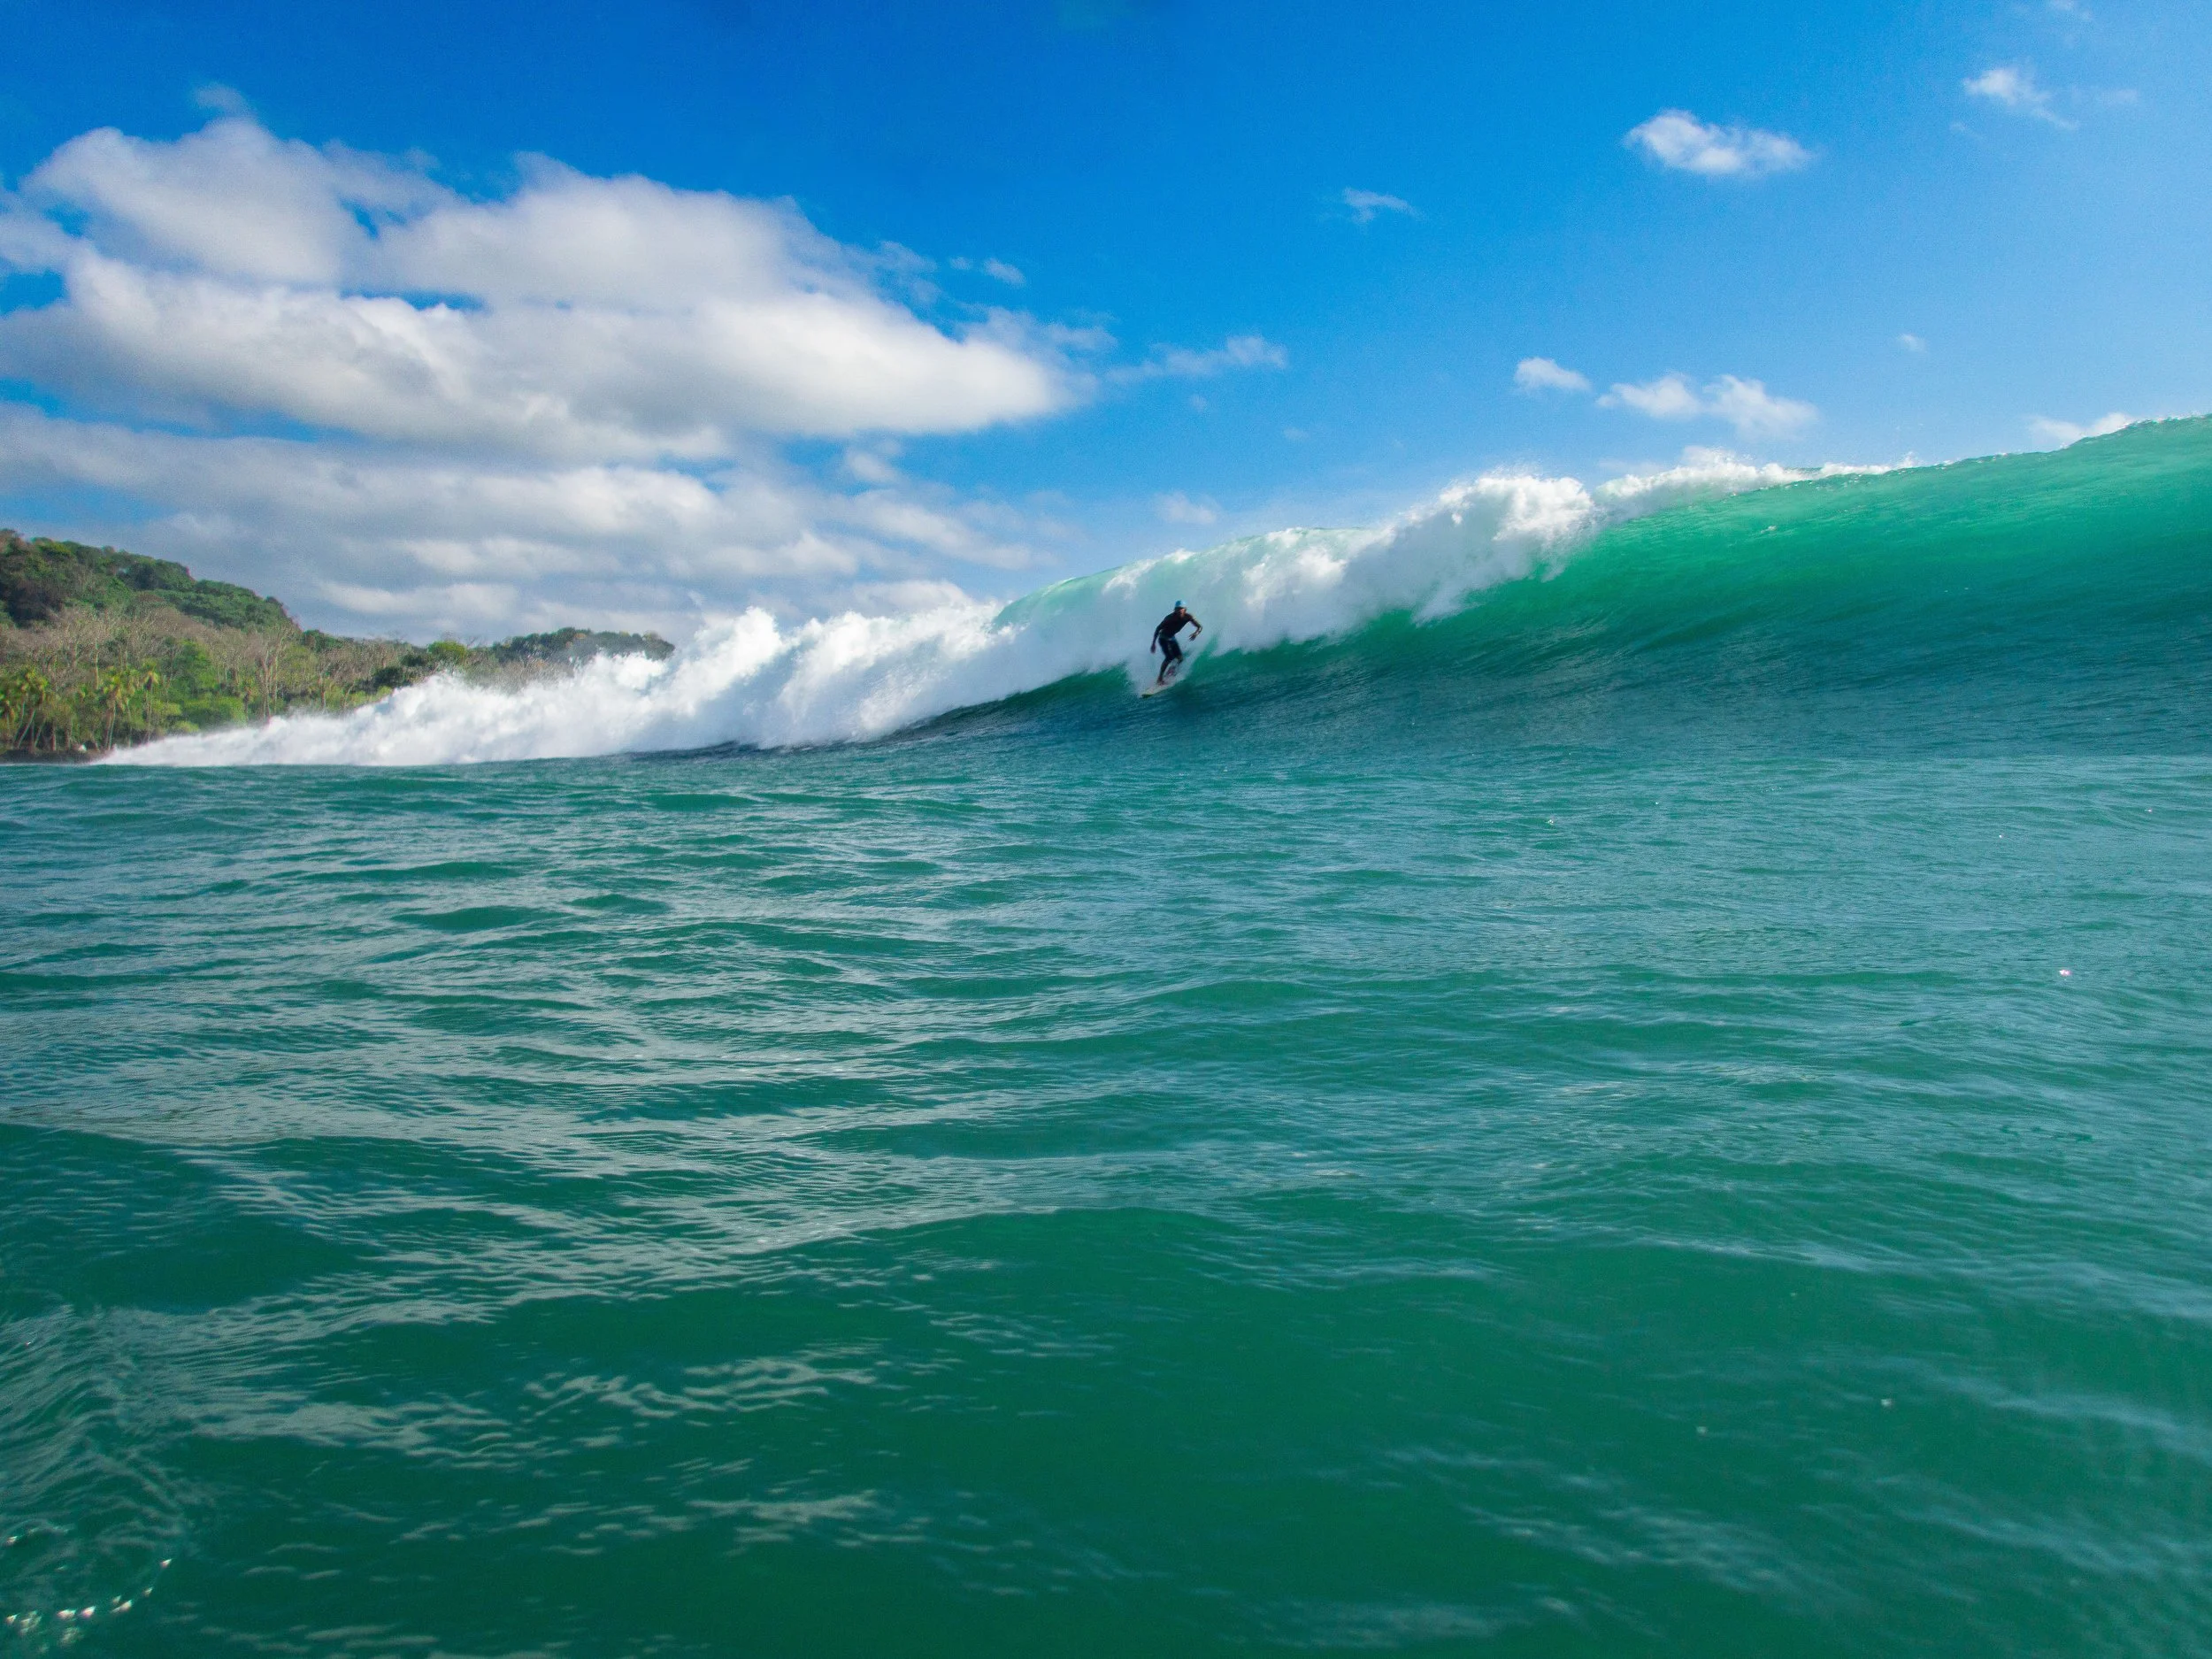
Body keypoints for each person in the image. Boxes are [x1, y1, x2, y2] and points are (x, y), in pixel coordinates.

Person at [1149, 601, 1202, 687]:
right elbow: (1158, 628)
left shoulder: (1188, 617)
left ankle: (1171, 670)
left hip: (1172, 638)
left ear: (1185, 609)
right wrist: (1153, 643)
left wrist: (1196, 633)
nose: (1178, 611)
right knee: (1169, 657)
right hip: (1163, 638)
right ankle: (1159, 679)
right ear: (1174, 610)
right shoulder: (1169, 618)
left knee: (1180, 659)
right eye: (1176, 609)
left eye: (1180, 609)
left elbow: (1199, 627)